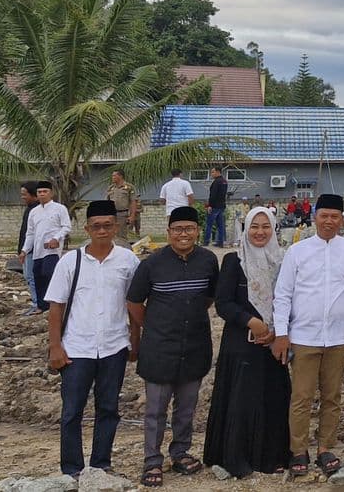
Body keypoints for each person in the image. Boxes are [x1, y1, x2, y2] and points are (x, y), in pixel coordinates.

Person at [272, 193, 344, 479]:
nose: (329, 221)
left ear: (341, 220)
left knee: (332, 397)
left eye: (334, 216)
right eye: (324, 215)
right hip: (303, 337)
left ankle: (326, 448)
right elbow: (283, 295)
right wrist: (281, 333)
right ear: (315, 217)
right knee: (301, 397)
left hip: (339, 337)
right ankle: (298, 451)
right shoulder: (297, 252)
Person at [46, 200, 140, 478]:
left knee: (109, 408)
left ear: (116, 226)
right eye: (96, 226)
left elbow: (134, 303)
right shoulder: (69, 262)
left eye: (107, 225)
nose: (102, 230)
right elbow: (56, 306)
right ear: (86, 228)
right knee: (72, 412)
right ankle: (72, 468)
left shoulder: (128, 260)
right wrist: (55, 346)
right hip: (76, 349)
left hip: (114, 346)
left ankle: (101, 464)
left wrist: (136, 339)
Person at [126, 206, 218, 487]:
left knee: (187, 408)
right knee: (155, 410)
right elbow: (134, 304)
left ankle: (180, 452)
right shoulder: (151, 264)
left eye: (189, 229)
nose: (183, 234)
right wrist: (154, 327)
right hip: (159, 348)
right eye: (177, 229)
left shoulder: (208, 260)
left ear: (197, 231)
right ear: (168, 233)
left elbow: (209, 298)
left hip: (194, 346)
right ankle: (152, 461)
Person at [203, 207, 292, 477]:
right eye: (255, 226)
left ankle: (272, 456)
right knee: (242, 398)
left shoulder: (283, 261)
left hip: (273, 342)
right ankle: (237, 458)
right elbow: (223, 303)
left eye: (266, 226)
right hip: (241, 342)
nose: (260, 232)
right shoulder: (234, 260)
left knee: (275, 395)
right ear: (246, 229)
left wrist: (277, 330)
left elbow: (289, 298)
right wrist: (252, 321)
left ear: (273, 229)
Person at [24, 182, 72, 313]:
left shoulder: (60, 208)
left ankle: (56, 302)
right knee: (37, 276)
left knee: (49, 273)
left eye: (45, 191)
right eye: (39, 192)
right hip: (37, 251)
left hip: (52, 250)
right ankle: (41, 305)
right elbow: (30, 233)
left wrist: (56, 238)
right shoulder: (34, 212)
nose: (42, 194)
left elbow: (66, 226)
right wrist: (24, 250)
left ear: (51, 193)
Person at [17, 182, 40, 316]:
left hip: (32, 250)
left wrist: (26, 250)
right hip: (27, 250)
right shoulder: (29, 209)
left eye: (25, 194)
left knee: (31, 277)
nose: (22, 197)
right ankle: (36, 303)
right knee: (29, 277)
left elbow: (32, 234)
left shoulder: (35, 211)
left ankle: (37, 304)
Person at [107, 168, 139, 245]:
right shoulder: (111, 188)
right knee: (111, 236)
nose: (113, 177)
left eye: (114, 176)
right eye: (112, 176)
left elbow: (133, 202)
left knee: (121, 237)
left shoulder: (129, 187)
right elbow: (107, 202)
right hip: (112, 215)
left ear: (120, 176)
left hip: (123, 215)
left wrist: (132, 216)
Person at [205, 167, 229, 247]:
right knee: (220, 225)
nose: (211, 174)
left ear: (218, 172)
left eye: (213, 172)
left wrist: (210, 205)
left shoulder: (216, 182)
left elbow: (213, 195)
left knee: (209, 224)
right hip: (221, 206)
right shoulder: (224, 181)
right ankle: (220, 242)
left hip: (214, 206)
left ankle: (206, 241)